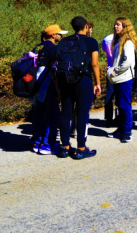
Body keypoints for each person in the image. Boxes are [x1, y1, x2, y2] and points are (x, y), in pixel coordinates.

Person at [54, 16, 101, 159]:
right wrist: (98, 83)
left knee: (66, 113)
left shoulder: (64, 41)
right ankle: (81, 148)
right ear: (86, 26)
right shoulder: (91, 42)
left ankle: (65, 147)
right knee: (82, 114)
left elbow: (55, 64)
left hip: (65, 80)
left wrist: (58, 86)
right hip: (83, 80)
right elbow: (94, 64)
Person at [31, 25, 66, 155]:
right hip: (48, 84)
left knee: (39, 113)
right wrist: (58, 88)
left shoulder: (38, 47)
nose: (61, 36)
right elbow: (53, 69)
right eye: (59, 34)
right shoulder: (53, 49)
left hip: (37, 84)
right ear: (53, 35)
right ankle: (47, 144)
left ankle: (37, 142)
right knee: (53, 114)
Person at [106, 17, 137, 143]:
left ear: (125, 27)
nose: (115, 27)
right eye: (115, 24)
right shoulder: (119, 40)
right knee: (120, 104)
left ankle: (127, 132)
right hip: (118, 79)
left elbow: (129, 60)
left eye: (118, 25)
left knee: (125, 105)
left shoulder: (128, 42)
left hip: (124, 79)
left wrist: (116, 71)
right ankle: (121, 129)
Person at [101, 33, 118, 127]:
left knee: (109, 95)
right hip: (119, 70)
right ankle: (119, 117)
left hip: (109, 69)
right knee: (120, 94)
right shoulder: (122, 39)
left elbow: (106, 52)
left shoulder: (106, 39)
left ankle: (108, 119)